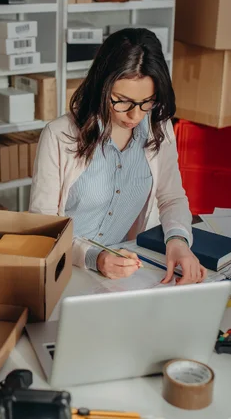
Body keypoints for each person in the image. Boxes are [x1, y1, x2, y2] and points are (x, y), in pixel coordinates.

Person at [29, 28, 206, 284]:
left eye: (148, 101)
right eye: (122, 101)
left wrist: (178, 241)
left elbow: (171, 196)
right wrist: (94, 257)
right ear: (102, 87)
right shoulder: (59, 135)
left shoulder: (159, 126)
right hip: (66, 267)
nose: (135, 115)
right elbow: (43, 225)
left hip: (125, 270)